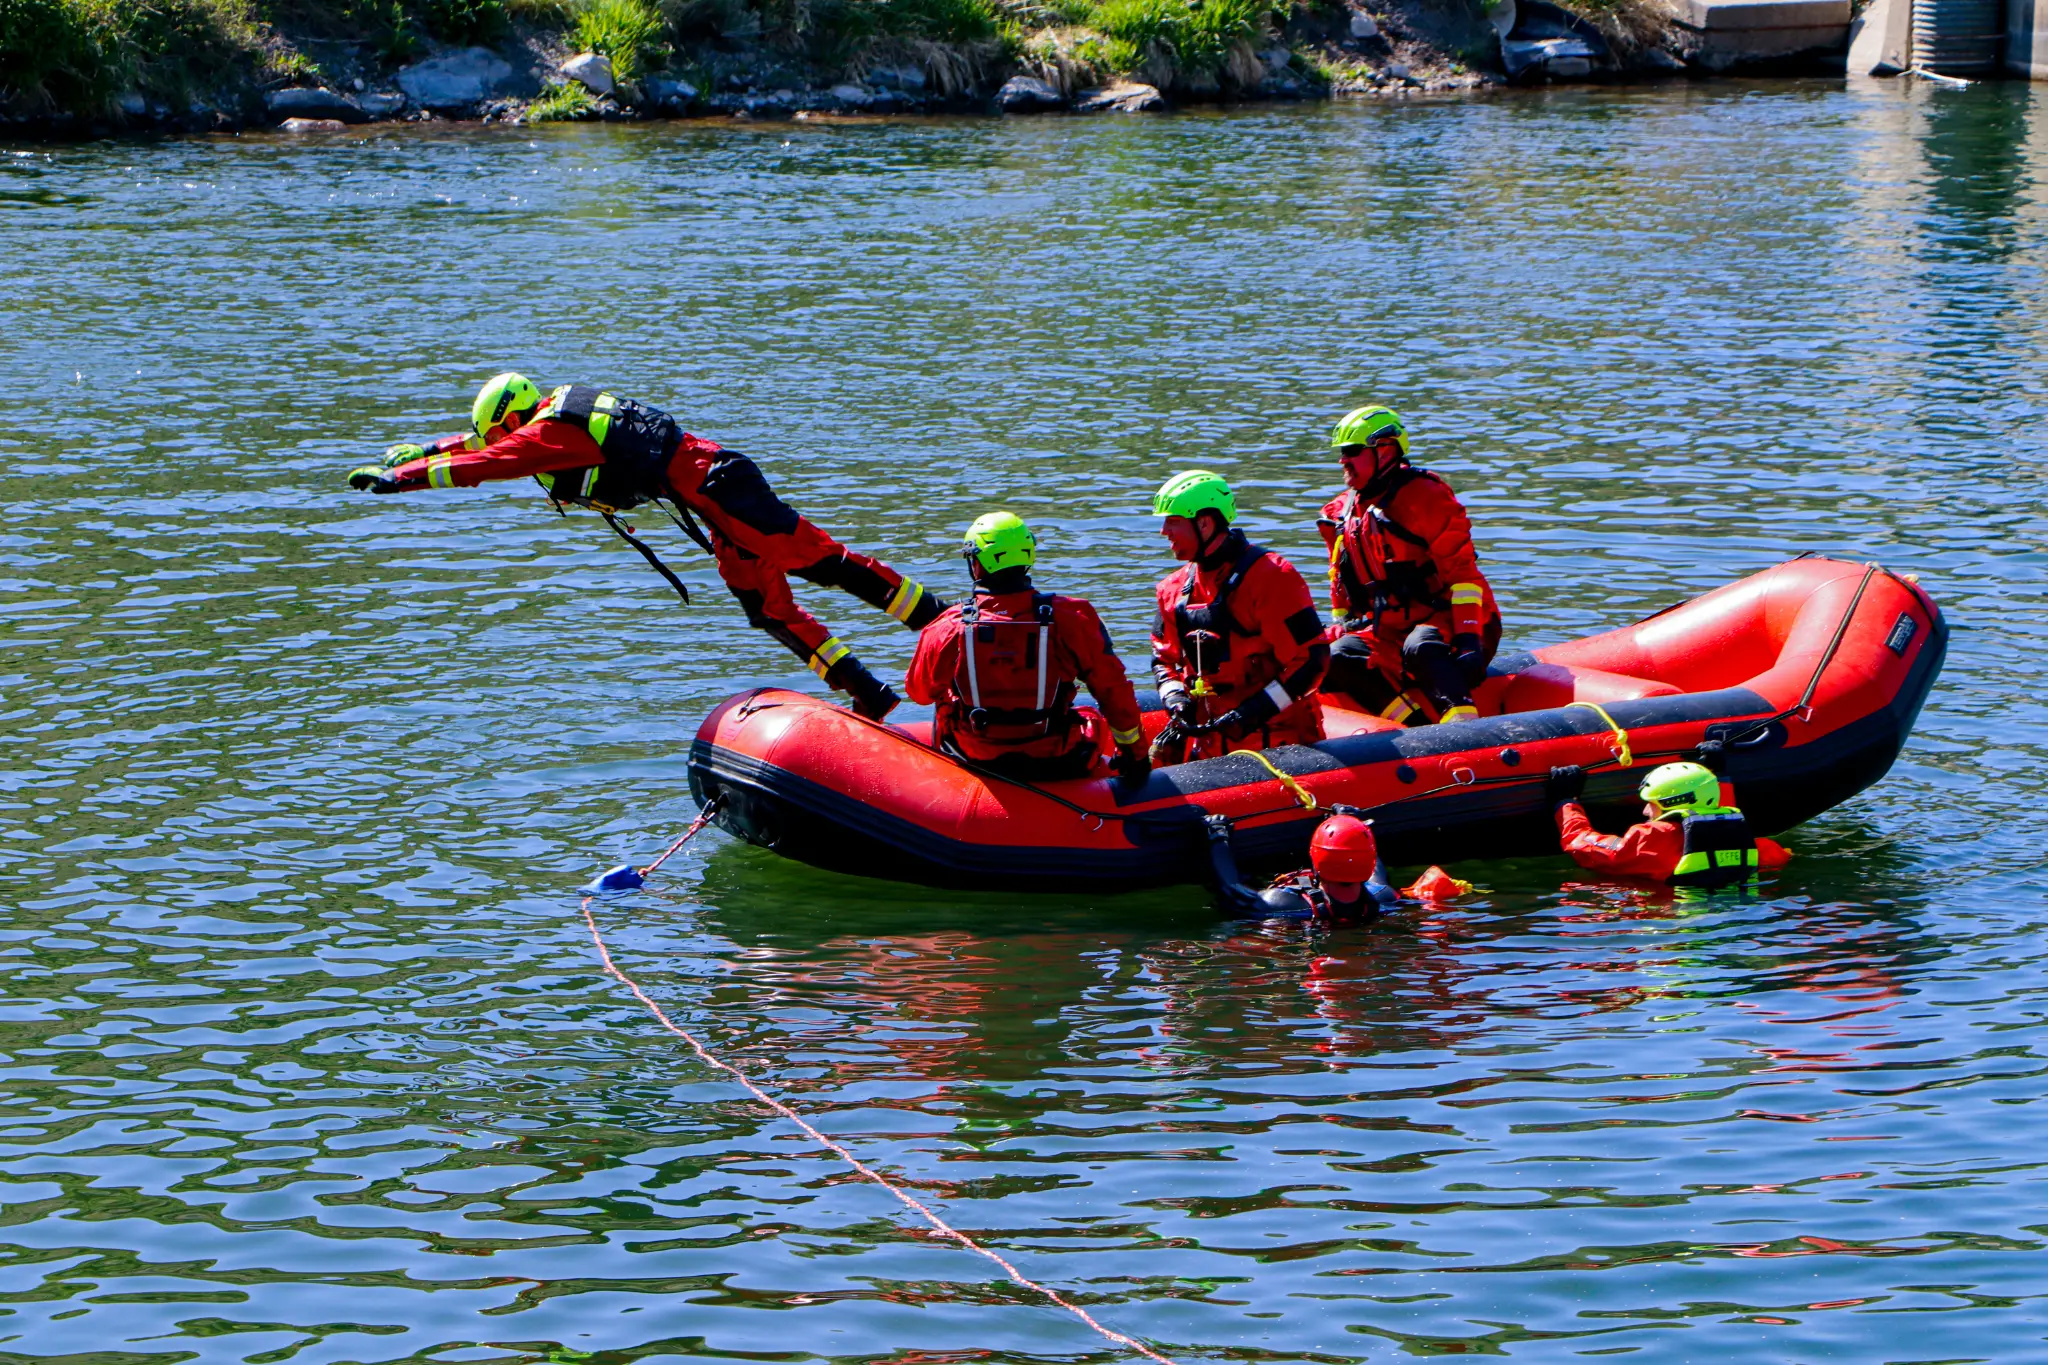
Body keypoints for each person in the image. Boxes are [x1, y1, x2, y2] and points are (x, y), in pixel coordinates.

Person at [346, 374, 944, 719]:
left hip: (721, 486)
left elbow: (488, 461)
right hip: (711, 500)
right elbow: (482, 443)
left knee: (824, 565)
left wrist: (405, 479)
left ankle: (945, 622)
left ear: (512, 419)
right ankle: (870, 694)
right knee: (766, 610)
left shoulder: (549, 433)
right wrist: (424, 449)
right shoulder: (555, 410)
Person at [905, 513, 1151, 783]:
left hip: (972, 755)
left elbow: (920, 692)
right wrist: (1136, 756)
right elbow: (1112, 689)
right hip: (1055, 758)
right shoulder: (1072, 617)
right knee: (1090, 716)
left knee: (945, 701)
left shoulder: (948, 626)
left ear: (976, 564)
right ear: (1027, 558)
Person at [1315, 405, 1501, 726]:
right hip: (1390, 632)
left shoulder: (1426, 498)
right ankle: (1415, 730)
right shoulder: (1340, 514)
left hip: (1453, 624)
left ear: (1385, 451)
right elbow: (1343, 600)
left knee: (1421, 646)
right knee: (1339, 655)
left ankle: (1467, 729)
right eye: (1342, 453)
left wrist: (1469, 640)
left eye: (1353, 451)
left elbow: (1464, 576)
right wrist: (1325, 637)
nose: (1343, 460)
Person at [1149, 471, 1329, 762]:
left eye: (1173, 522)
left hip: (1280, 744)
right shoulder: (1172, 590)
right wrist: (1175, 700)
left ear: (1204, 523)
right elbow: (1162, 660)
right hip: (1210, 745)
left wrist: (1252, 712)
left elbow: (1312, 660)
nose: (1163, 531)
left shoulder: (1271, 578)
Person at [1546, 760, 1791, 887]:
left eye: (1650, 802)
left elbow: (1579, 843)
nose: (1644, 810)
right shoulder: (1762, 849)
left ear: (1669, 803)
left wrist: (1566, 800)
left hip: (1671, 927)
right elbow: (1782, 855)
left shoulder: (1648, 841)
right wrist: (1719, 775)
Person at [1204, 808, 1397, 919]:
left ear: (1316, 857)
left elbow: (1232, 890)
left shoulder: (1280, 903)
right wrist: (1350, 822)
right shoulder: (1382, 895)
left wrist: (1217, 836)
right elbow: (1373, 866)